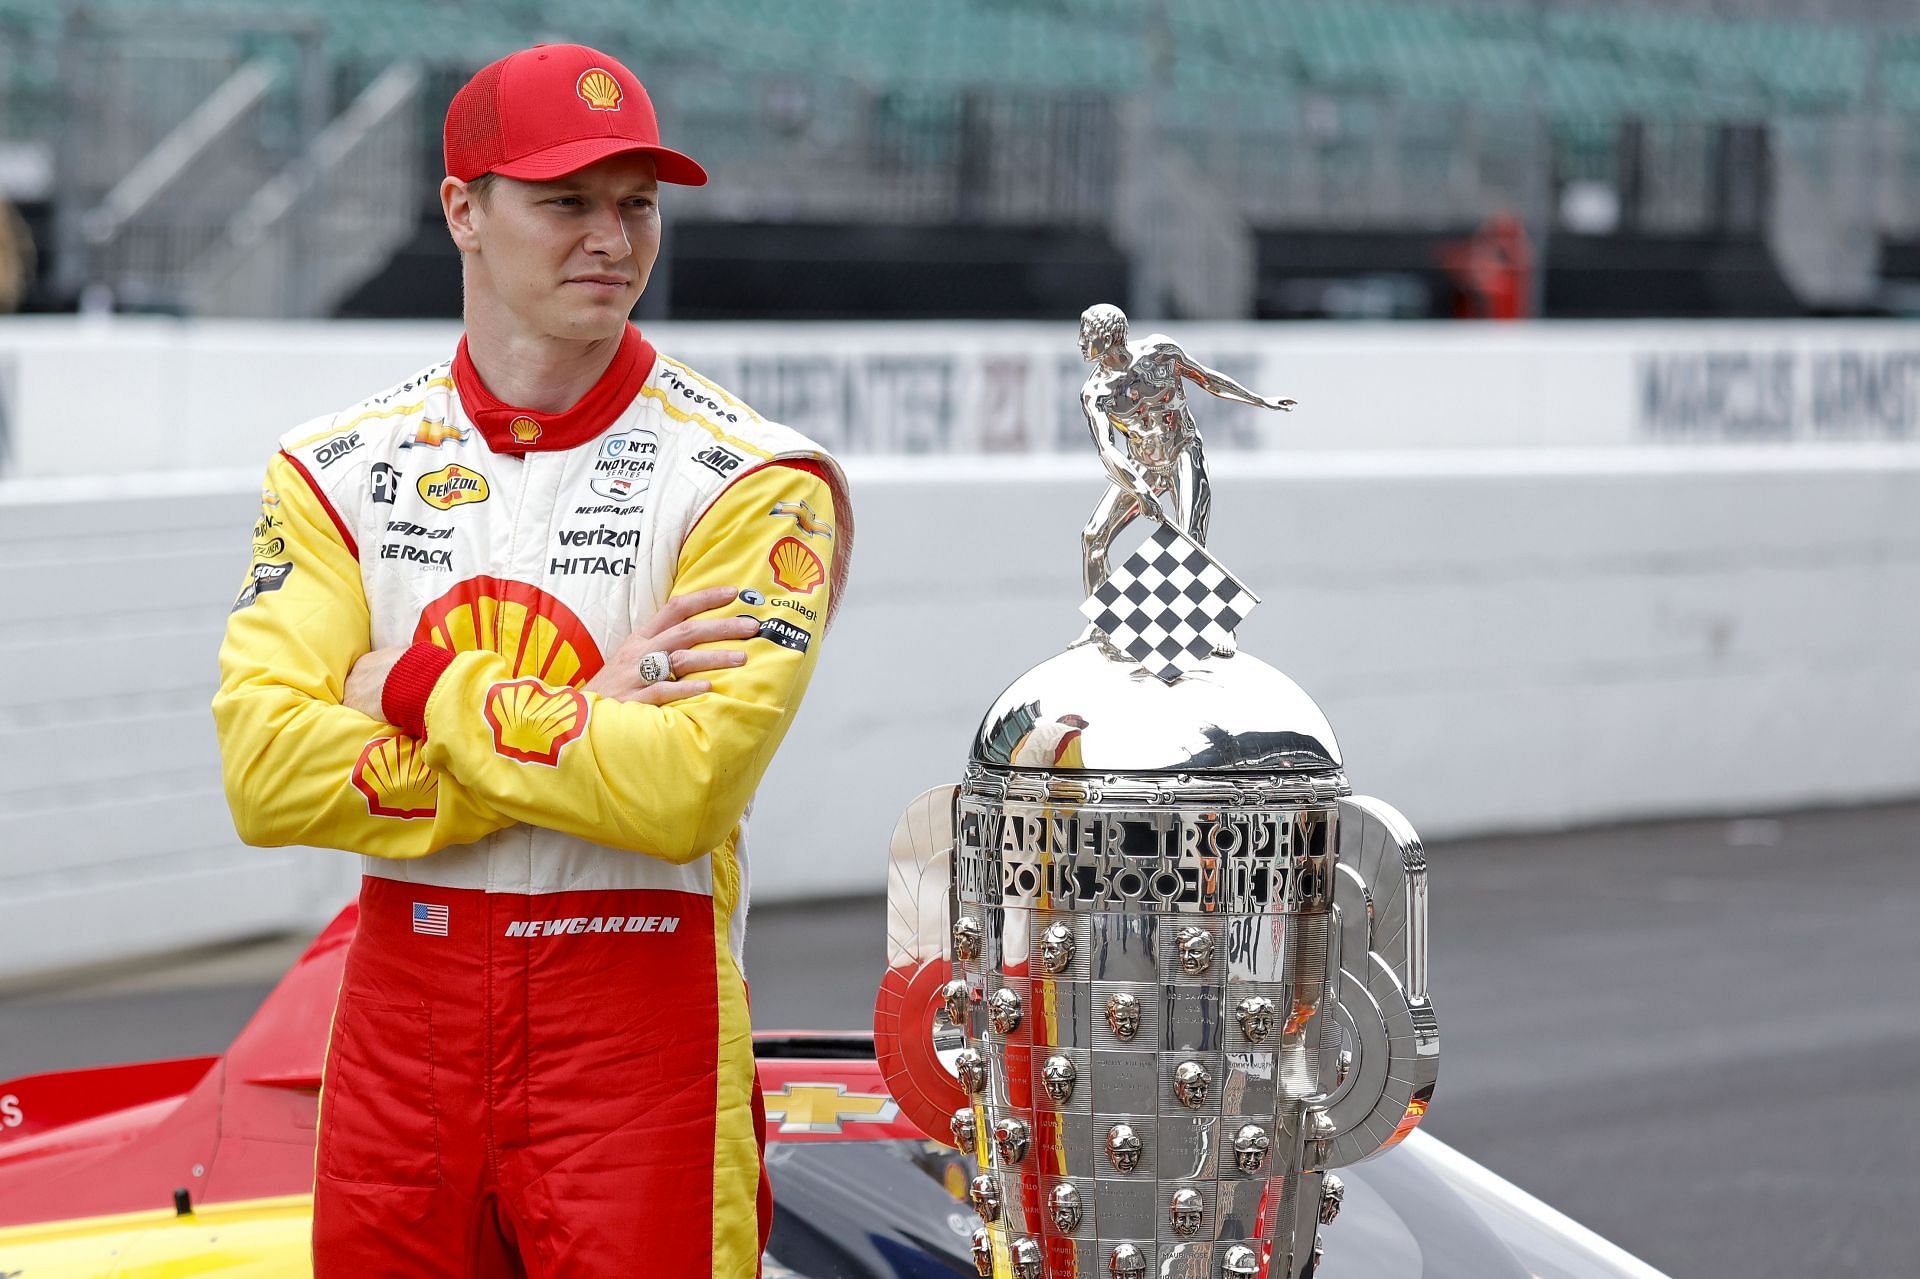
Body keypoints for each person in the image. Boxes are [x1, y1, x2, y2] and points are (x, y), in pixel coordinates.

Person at [212, 43, 850, 1279]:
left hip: (638, 1028)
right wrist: (575, 721)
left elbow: (680, 793)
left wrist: (406, 686)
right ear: (463, 210)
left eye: (638, 204)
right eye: (567, 202)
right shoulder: (334, 470)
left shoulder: (757, 482)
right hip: (401, 1016)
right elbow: (263, 772)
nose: (612, 237)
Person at [1076, 303, 1291, 594]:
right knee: (1093, 537)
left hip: (1182, 451)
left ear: (1110, 336)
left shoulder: (1159, 352)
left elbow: (1208, 379)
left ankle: (1213, 628)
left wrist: (1259, 400)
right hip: (1142, 465)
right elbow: (1106, 450)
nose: (1081, 342)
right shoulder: (1096, 392)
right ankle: (1100, 629)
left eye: (1087, 334)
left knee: (1190, 542)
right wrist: (1141, 492)